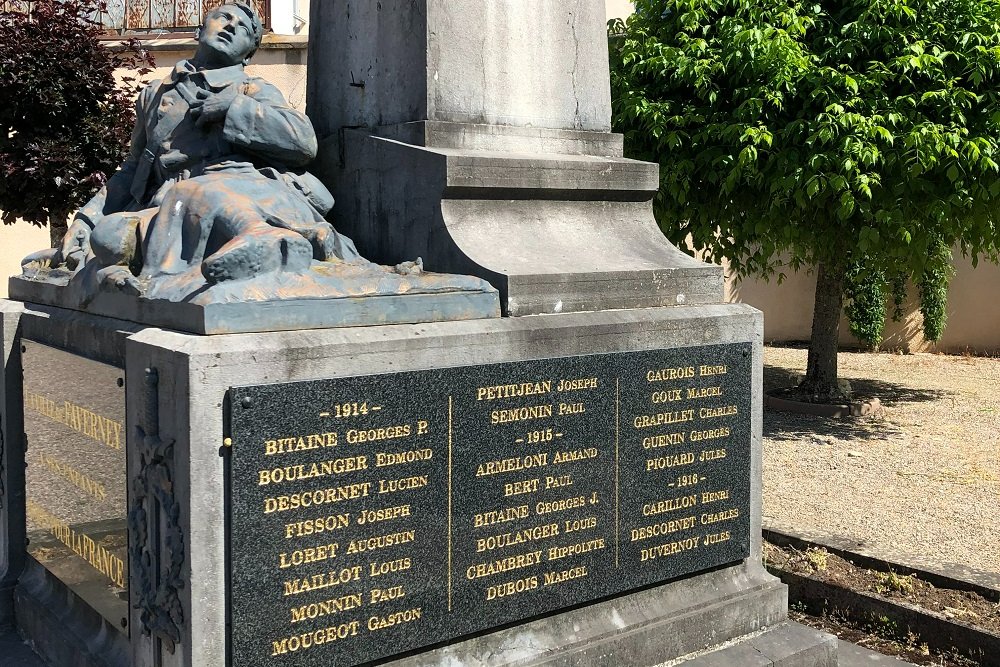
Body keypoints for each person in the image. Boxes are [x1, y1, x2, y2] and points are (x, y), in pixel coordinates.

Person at [35, 1, 360, 299]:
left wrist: (234, 108)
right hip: (172, 209)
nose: (232, 26)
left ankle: (264, 240)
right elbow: (133, 168)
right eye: (223, 17)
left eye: (245, 29)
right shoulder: (153, 94)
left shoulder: (251, 88)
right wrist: (86, 221)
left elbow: (303, 142)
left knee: (195, 192)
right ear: (198, 29)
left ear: (248, 54)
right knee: (110, 235)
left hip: (242, 188)